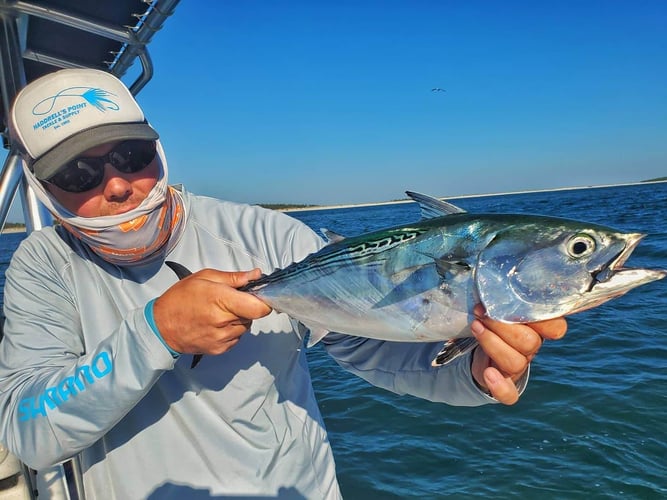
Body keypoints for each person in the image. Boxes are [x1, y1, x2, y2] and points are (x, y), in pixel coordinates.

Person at [0, 69, 567, 499]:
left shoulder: (266, 235)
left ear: (158, 147)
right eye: (79, 173)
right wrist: (157, 332)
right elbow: (28, 429)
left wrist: (473, 371)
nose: (119, 185)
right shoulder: (43, 266)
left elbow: (367, 343)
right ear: (41, 185)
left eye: (131, 154)